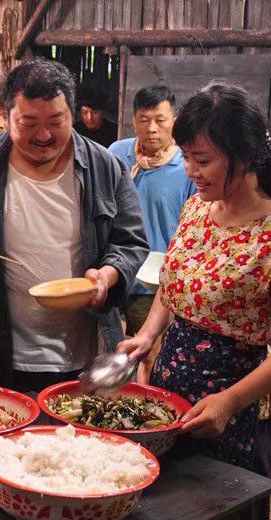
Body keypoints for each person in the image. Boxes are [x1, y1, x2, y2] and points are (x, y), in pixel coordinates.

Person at [118, 82, 271, 520]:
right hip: (170, 399)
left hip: (236, 410)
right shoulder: (196, 209)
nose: (190, 170)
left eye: (203, 160)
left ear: (244, 158)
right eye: (187, 157)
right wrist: (147, 335)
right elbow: (173, 282)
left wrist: (229, 401)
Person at [0, 58, 148, 391]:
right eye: (29, 122)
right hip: (0, 355)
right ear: (8, 116)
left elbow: (130, 242)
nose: (43, 135)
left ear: (71, 114)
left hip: (84, 355)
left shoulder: (104, 166)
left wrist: (107, 276)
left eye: (56, 121)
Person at [108, 86, 197, 337]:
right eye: (144, 120)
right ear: (134, 121)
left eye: (160, 120)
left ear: (174, 122)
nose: (152, 128)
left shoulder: (188, 167)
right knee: (111, 349)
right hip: (115, 276)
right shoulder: (116, 154)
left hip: (155, 286)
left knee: (149, 352)